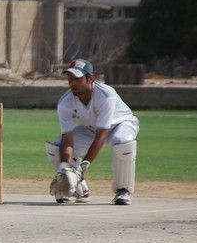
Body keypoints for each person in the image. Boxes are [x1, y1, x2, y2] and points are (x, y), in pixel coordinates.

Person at [46, 59, 139, 205]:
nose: (72, 83)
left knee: (122, 141)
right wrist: (64, 168)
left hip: (121, 124)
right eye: (70, 78)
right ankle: (78, 190)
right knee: (57, 146)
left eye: (77, 78)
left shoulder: (106, 95)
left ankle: (123, 190)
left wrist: (82, 168)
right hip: (91, 129)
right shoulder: (65, 102)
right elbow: (67, 138)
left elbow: (100, 137)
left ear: (90, 78)